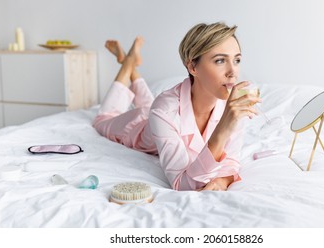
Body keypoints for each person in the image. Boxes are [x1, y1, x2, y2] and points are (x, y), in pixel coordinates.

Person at [93, 22, 261, 191]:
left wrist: (222, 181)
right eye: (220, 61)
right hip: (138, 127)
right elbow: (181, 183)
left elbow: (230, 162)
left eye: (237, 60)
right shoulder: (163, 111)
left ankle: (130, 63)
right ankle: (127, 62)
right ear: (193, 67)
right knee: (103, 119)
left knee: (149, 105)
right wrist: (223, 127)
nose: (233, 72)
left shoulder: (234, 105)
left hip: (157, 113)